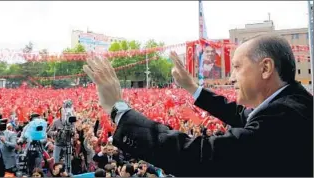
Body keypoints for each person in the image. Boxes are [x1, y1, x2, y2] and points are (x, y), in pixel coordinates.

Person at [82, 34, 313, 177]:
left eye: (237, 67)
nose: (232, 78)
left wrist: (117, 108)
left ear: (265, 68)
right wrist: (192, 88)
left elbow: (200, 156)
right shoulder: (289, 104)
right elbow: (241, 115)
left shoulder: (286, 117)